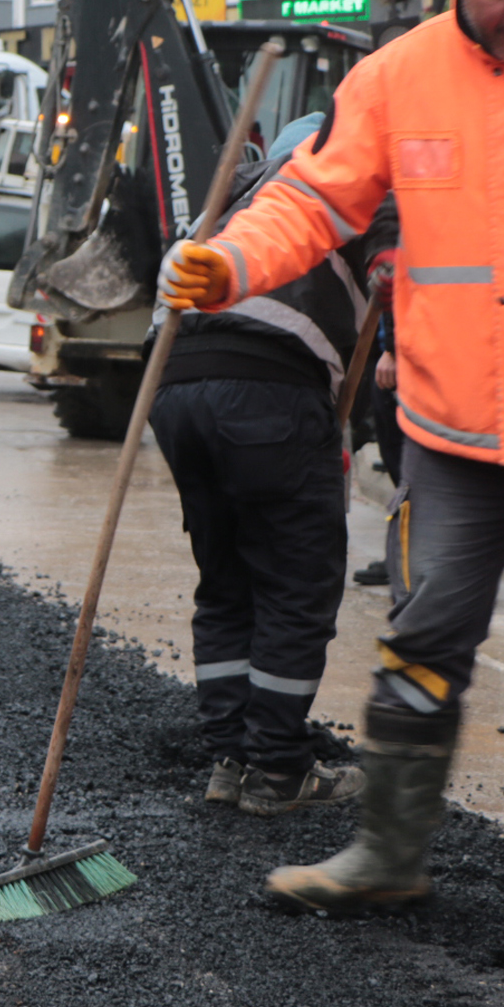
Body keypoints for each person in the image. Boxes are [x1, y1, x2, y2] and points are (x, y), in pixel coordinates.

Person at [159, 0, 504, 936]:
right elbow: (312, 195)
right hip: (455, 422)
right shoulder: (398, 79)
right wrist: (230, 264)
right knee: (424, 630)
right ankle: (387, 852)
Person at [148, 113, 370, 818]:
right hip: (269, 390)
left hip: (175, 382)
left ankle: (229, 757)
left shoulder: (232, 194)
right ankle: (278, 769)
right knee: (296, 584)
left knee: (227, 577)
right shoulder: (342, 196)